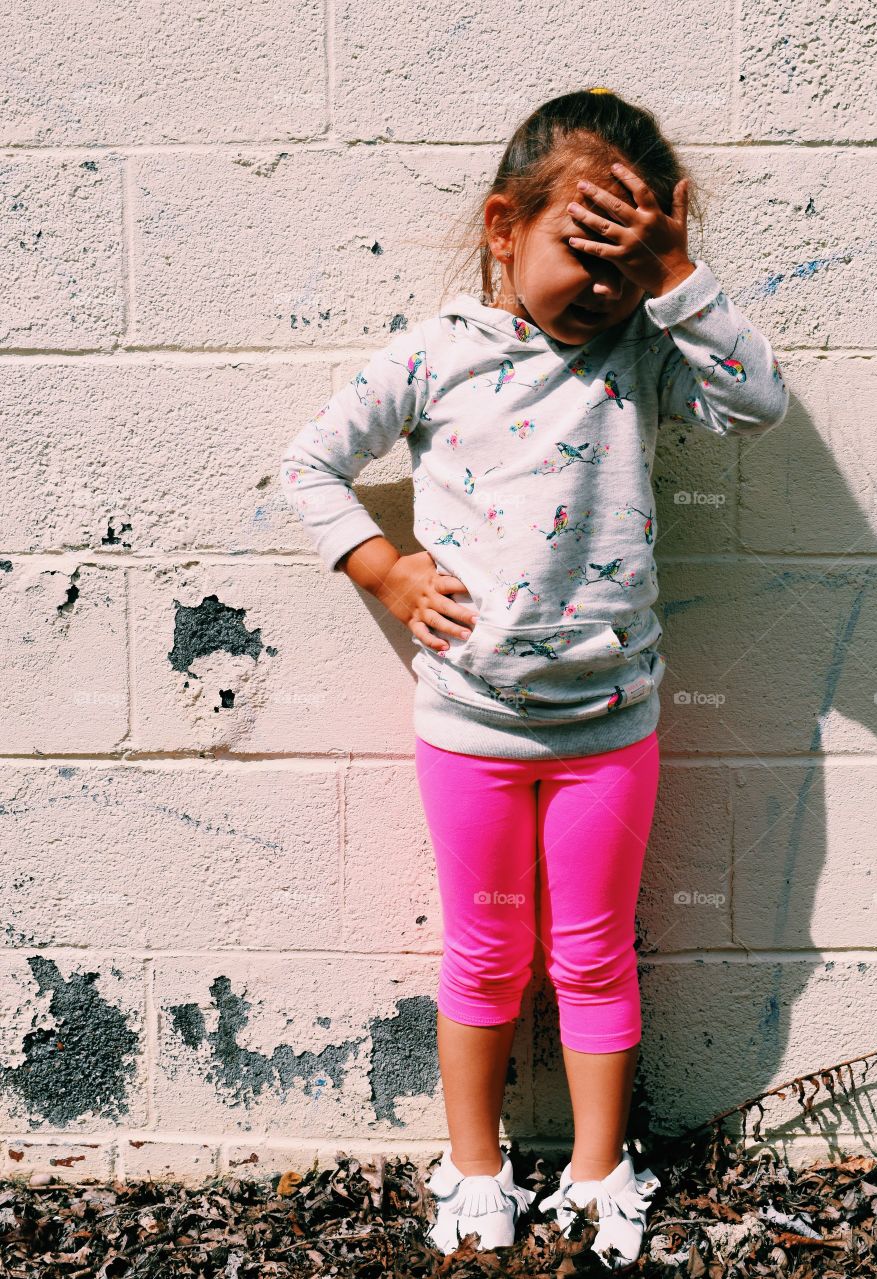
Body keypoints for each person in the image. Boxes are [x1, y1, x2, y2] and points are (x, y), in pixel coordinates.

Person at [279, 86, 789, 1269]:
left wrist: (680, 277)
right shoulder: (435, 358)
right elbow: (311, 464)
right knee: (485, 952)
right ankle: (474, 1165)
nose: (604, 282)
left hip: (611, 729)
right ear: (505, 226)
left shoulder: (646, 355)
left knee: (598, 952)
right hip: (470, 731)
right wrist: (385, 569)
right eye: (585, 246)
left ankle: (605, 1168)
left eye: (633, 256)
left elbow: (755, 404)